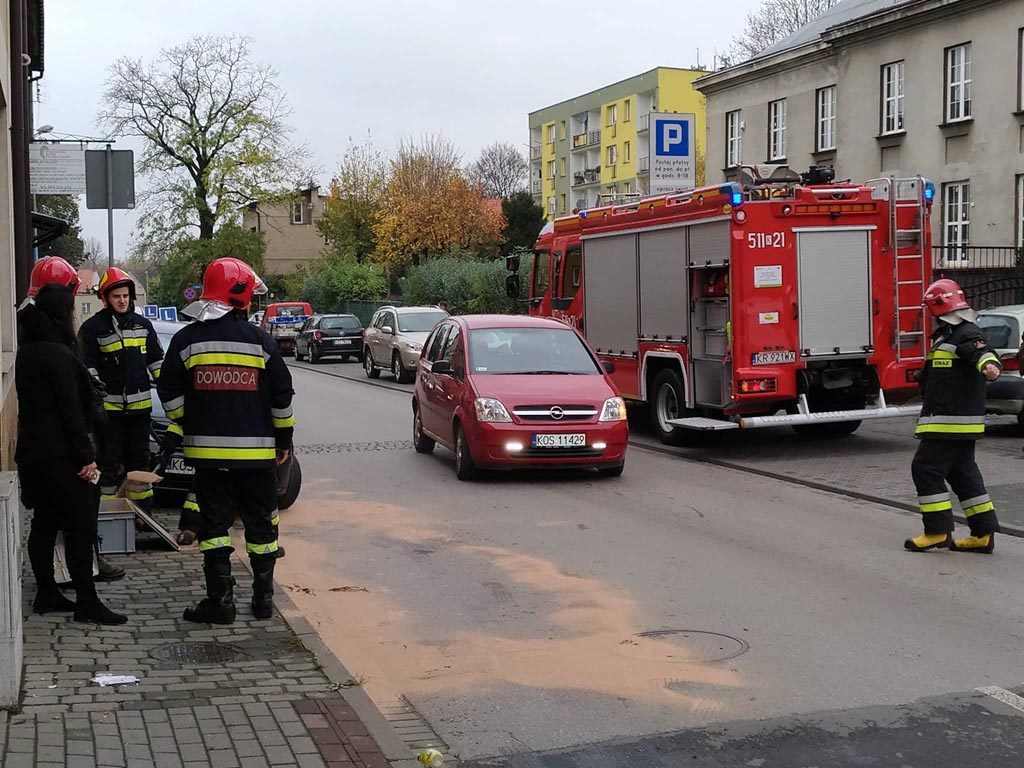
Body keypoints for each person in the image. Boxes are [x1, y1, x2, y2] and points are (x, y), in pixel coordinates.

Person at [158, 257, 294, 624]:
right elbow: (282, 397)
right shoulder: (261, 341)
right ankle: (264, 602)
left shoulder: (186, 339)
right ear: (243, 295)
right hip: (257, 458)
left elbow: (168, 391)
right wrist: (284, 441)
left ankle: (220, 603)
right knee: (262, 528)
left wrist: (190, 420)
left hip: (207, 458)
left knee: (214, 528)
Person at [15, 284, 127, 625]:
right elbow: (71, 413)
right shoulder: (60, 354)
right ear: (62, 314)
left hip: (33, 455)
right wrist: (86, 459)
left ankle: (47, 592)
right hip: (64, 456)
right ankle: (87, 602)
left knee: (45, 523)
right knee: (80, 526)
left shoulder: (26, 351)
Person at [906, 279, 1002, 554]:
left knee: (925, 469)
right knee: (963, 475)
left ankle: (937, 531)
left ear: (938, 306)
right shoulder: (947, 335)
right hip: (955, 422)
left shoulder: (965, 333)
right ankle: (982, 534)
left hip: (949, 422)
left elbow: (982, 353)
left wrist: (990, 367)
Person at [79, 267, 164, 512]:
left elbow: (157, 362)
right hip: (109, 414)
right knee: (109, 464)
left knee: (140, 464)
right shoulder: (92, 329)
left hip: (140, 413)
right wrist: (97, 396)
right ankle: (108, 515)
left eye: (126, 296)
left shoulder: (143, 325)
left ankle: (142, 515)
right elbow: (88, 366)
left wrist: (171, 390)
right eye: (117, 296)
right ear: (105, 298)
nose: (122, 300)